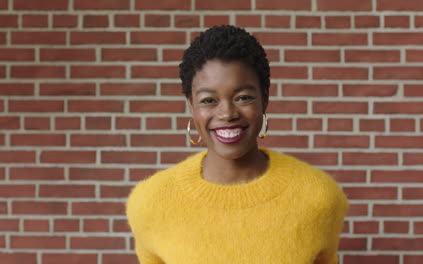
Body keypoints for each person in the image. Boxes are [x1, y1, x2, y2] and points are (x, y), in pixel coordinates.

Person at [126, 25, 348, 264]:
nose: (227, 114)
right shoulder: (150, 202)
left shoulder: (319, 197)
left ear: (265, 99)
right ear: (192, 106)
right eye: (209, 100)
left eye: (243, 97)